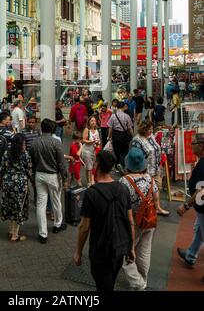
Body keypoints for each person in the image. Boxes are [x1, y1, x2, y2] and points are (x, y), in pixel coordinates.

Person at [74, 150, 134, 292]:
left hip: (100, 250)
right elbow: (130, 221)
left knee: (103, 285)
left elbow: (84, 227)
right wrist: (131, 248)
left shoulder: (91, 193)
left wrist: (78, 251)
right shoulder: (123, 188)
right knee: (109, 282)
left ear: (97, 165)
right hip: (119, 247)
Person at [120, 147, 159, 291]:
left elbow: (121, 204)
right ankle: (143, 279)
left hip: (133, 223)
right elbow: (155, 199)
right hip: (149, 220)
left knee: (127, 253)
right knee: (144, 252)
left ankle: (138, 283)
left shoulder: (124, 181)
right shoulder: (150, 178)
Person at [29, 118, 68, 244]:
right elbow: (61, 163)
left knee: (41, 204)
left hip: (39, 175)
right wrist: (65, 177)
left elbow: (32, 160)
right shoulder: (56, 143)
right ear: (52, 129)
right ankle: (57, 225)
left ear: (42, 128)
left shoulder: (35, 142)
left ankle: (43, 234)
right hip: (53, 176)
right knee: (56, 200)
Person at [176, 134, 204, 283]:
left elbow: (202, 192)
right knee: (199, 231)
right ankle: (190, 256)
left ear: (200, 145)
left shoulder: (202, 165)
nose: (191, 145)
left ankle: (190, 256)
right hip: (201, 209)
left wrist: (186, 205)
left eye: (193, 143)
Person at [0, 133, 33, 242]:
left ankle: (10, 230)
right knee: (18, 208)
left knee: (9, 206)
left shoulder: (6, 153)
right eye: (24, 143)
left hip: (7, 183)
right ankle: (15, 235)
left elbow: (2, 169)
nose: (25, 145)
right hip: (20, 185)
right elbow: (29, 171)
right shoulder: (25, 155)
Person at [108, 101, 133, 170]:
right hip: (123, 135)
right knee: (124, 150)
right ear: (123, 107)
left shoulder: (113, 116)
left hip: (115, 134)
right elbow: (130, 128)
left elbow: (110, 128)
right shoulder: (127, 116)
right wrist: (132, 135)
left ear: (117, 107)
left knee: (116, 150)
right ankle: (121, 163)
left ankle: (117, 165)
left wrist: (109, 137)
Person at [82, 116, 101, 187]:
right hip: (87, 151)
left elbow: (98, 140)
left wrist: (98, 144)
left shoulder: (97, 130)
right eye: (92, 121)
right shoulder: (87, 130)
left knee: (94, 166)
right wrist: (90, 141)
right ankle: (89, 182)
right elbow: (83, 140)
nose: (93, 122)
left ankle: (92, 179)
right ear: (89, 122)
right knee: (89, 167)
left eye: (94, 121)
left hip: (94, 150)